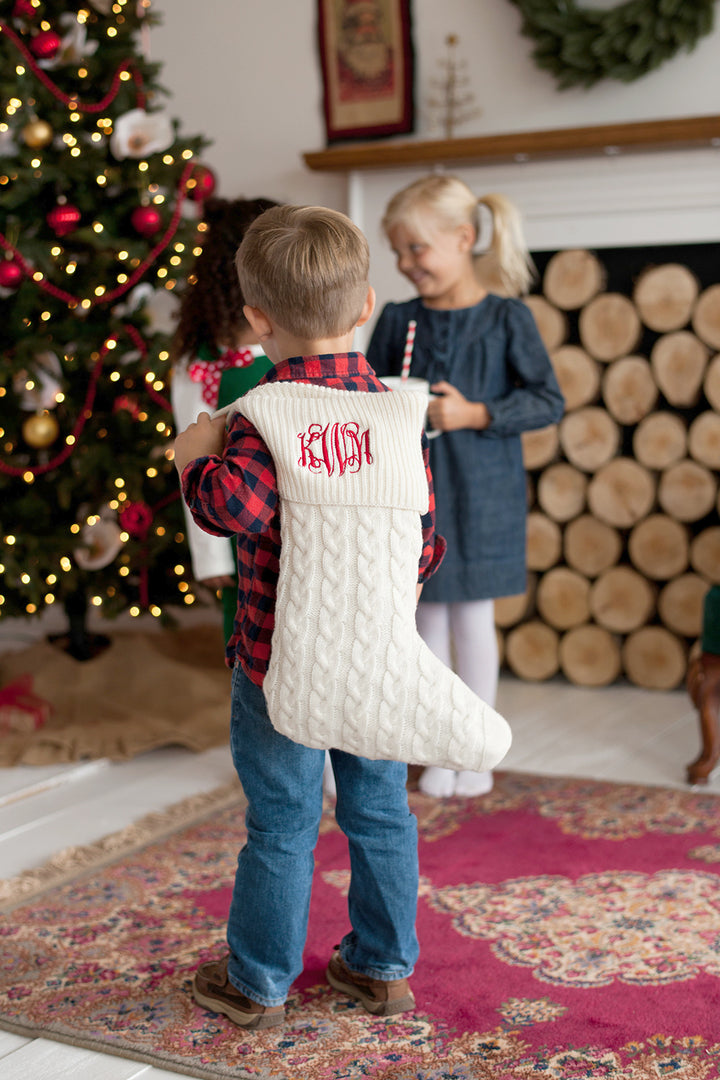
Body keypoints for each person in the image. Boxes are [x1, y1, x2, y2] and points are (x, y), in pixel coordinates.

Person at [173, 204, 447, 1029]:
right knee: (379, 810)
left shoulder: (265, 414)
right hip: (375, 656)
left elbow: (231, 511)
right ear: (365, 305)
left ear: (257, 321)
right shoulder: (399, 413)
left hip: (277, 659)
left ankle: (257, 982)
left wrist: (195, 460)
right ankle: (382, 965)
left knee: (284, 821)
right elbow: (425, 542)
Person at [367, 175, 565, 799]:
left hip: (483, 496)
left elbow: (547, 400)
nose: (405, 264)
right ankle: (435, 749)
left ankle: (476, 752)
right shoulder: (397, 321)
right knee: (424, 623)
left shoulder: (509, 318)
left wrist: (476, 414)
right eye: (397, 251)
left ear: (465, 238)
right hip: (415, 496)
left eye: (416, 249)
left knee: (474, 621)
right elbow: (368, 393)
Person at [170, 196, 277, 642]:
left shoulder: (296, 349)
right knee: (248, 644)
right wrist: (212, 556)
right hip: (237, 527)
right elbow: (192, 459)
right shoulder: (202, 365)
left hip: (300, 526)